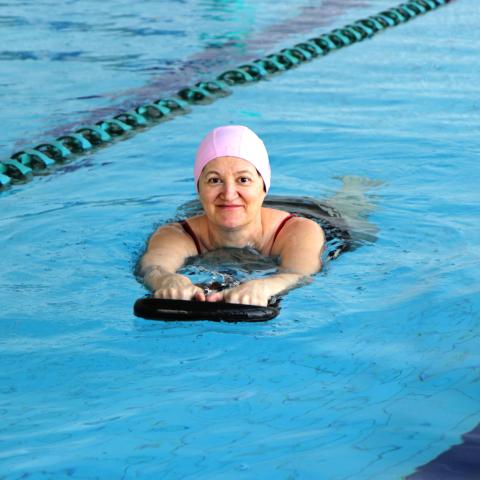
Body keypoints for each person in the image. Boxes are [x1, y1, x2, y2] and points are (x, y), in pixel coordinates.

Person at [140, 125, 325, 306]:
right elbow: (153, 268)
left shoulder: (301, 231)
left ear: (264, 186)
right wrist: (167, 280)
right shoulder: (177, 234)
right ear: (199, 189)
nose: (228, 194)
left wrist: (265, 286)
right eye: (214, 180)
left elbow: (300, 275)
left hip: (318, 212)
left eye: (243, 180)